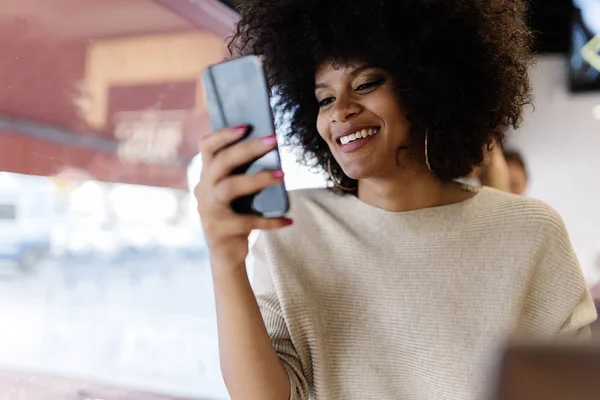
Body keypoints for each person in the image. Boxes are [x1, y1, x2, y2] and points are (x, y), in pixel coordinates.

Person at [194, 1, 597, 399]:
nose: (341, 111)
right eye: (324, 99)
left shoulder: (530, 230)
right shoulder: (289, 227)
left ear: (429, 85)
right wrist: (225, 261)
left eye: (366, 84)